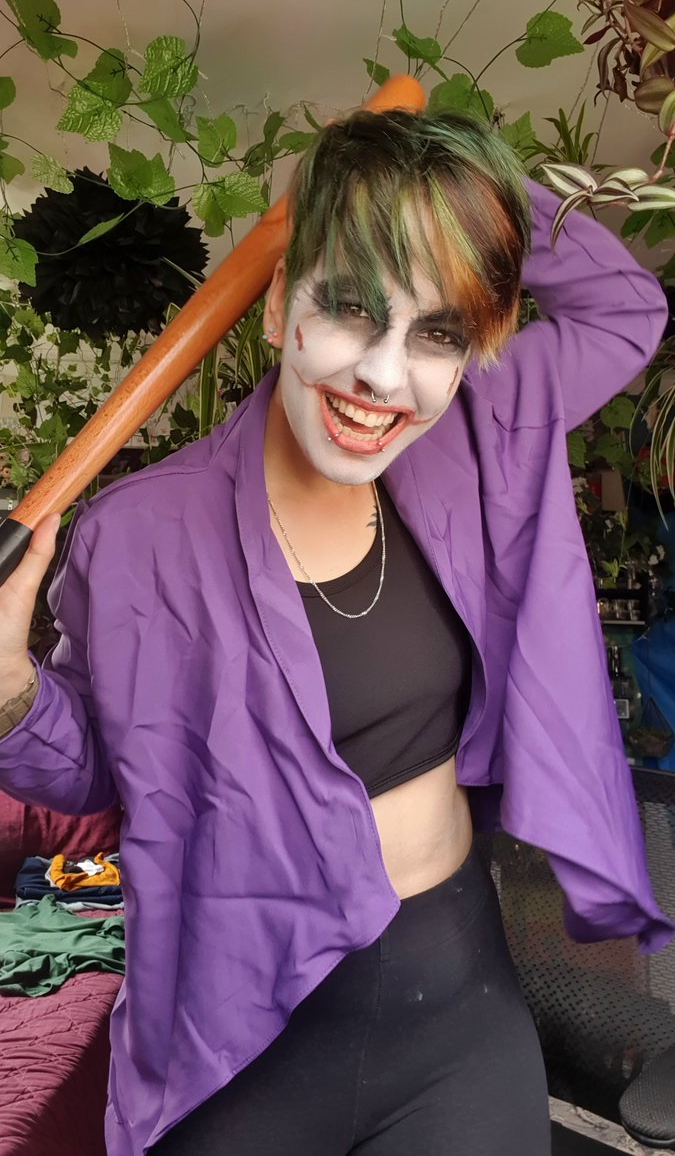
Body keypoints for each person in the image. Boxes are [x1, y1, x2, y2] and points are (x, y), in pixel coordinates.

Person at [0, 108, 672, 1156]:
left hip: (454, 1008)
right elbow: (98, 770)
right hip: (234, 1034)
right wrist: (8, 684)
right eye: (352, 308)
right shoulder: (138, 532)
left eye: (439, 331)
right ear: (278, 305)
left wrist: (443, 184)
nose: (384, 379)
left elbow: (624, 305)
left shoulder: (478, 432)